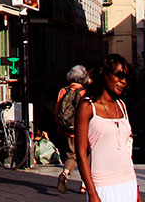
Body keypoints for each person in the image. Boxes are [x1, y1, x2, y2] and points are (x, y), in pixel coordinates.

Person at [75, 55, 141, 202]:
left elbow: (126, 150)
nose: (123, 81)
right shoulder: (87, 106)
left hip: (128, 182)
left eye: (126, 78)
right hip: (103, 186)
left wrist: (136, 190)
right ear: (105, 75)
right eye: (119, 76)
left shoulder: (122, 106)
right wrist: (92, 193)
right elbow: (80, 154)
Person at [56, 64, 90, 193]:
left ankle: (65, 174)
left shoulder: (63, 91)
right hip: (84, 130)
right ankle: (84, 184)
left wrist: (59, 125)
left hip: (69, 129)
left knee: (71, 155)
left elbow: (57, 110)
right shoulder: (85, 92)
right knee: (86, 155)